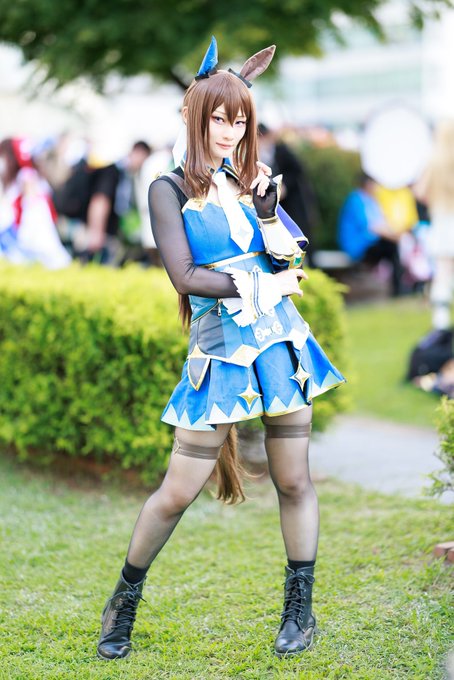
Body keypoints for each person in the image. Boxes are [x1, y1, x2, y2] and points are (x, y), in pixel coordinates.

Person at [97, 37, 345, 661]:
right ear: (195, 117)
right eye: (220, 119)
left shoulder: (250, 179)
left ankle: (299, 610)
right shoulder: (168, 188)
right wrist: (260, 283)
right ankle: (123, 599)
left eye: (240, 121)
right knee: (178, 490)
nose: (231, 132)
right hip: (220, 349)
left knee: (294, 480)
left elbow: (288, 255)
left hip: (280, 342)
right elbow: (185, 276)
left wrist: (268, 215)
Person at [0, 137, 71, 269]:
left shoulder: (27, 175)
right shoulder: (29, 175)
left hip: (33, 218)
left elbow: (30, 203)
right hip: (30, 218)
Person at [257, 123, 320, 266]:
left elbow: (298, 171)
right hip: (277, 204)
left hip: (294, 203)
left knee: (301, 235)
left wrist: (284, 185)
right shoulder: (259, 153)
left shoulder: (281, 150)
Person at [415, 120, 454, 329]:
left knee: (443, 274)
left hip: (442, 223)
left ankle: (441, 322)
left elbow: (419, 191)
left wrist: (435, 199)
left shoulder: (434, 162)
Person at [338, 172, 403, 296]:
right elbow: (371, 227)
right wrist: (394, 237)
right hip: (358, 246)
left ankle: (398, 287)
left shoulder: (372, 201)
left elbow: (383, 223)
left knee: (392, 247)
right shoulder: (356, 200)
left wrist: (395, 234)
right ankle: (398, 288)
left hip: (371, 243)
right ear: (368, 184)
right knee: (391, 247)